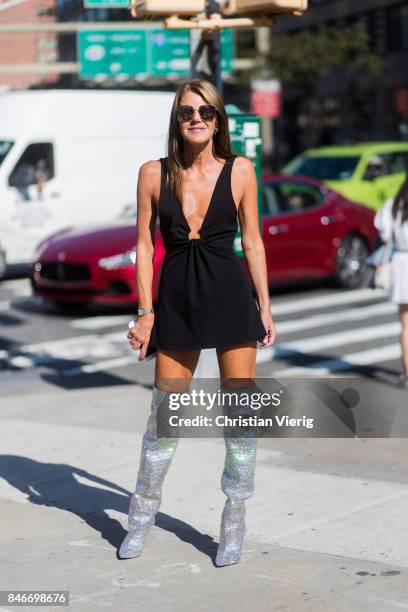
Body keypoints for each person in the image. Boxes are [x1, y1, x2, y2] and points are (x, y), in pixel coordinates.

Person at [119, 79, 276, 567]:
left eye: (206, 111)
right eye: (187, 112)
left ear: (218, 118)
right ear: (176, 118)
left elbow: (253, 242)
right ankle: (140, 517)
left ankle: (234, 519)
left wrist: (265, 306)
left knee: (240, 419)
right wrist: (145, 313)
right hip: (177, 301)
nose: (197, 119)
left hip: (230, 297)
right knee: (163, 421)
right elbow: (144, 246)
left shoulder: (242, 170)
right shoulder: (152, 173)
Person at [374, 176, 408, 388]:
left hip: (401, 263)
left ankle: (407, 373)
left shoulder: (394, 205)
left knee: (406, 325)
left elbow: (385, 237)